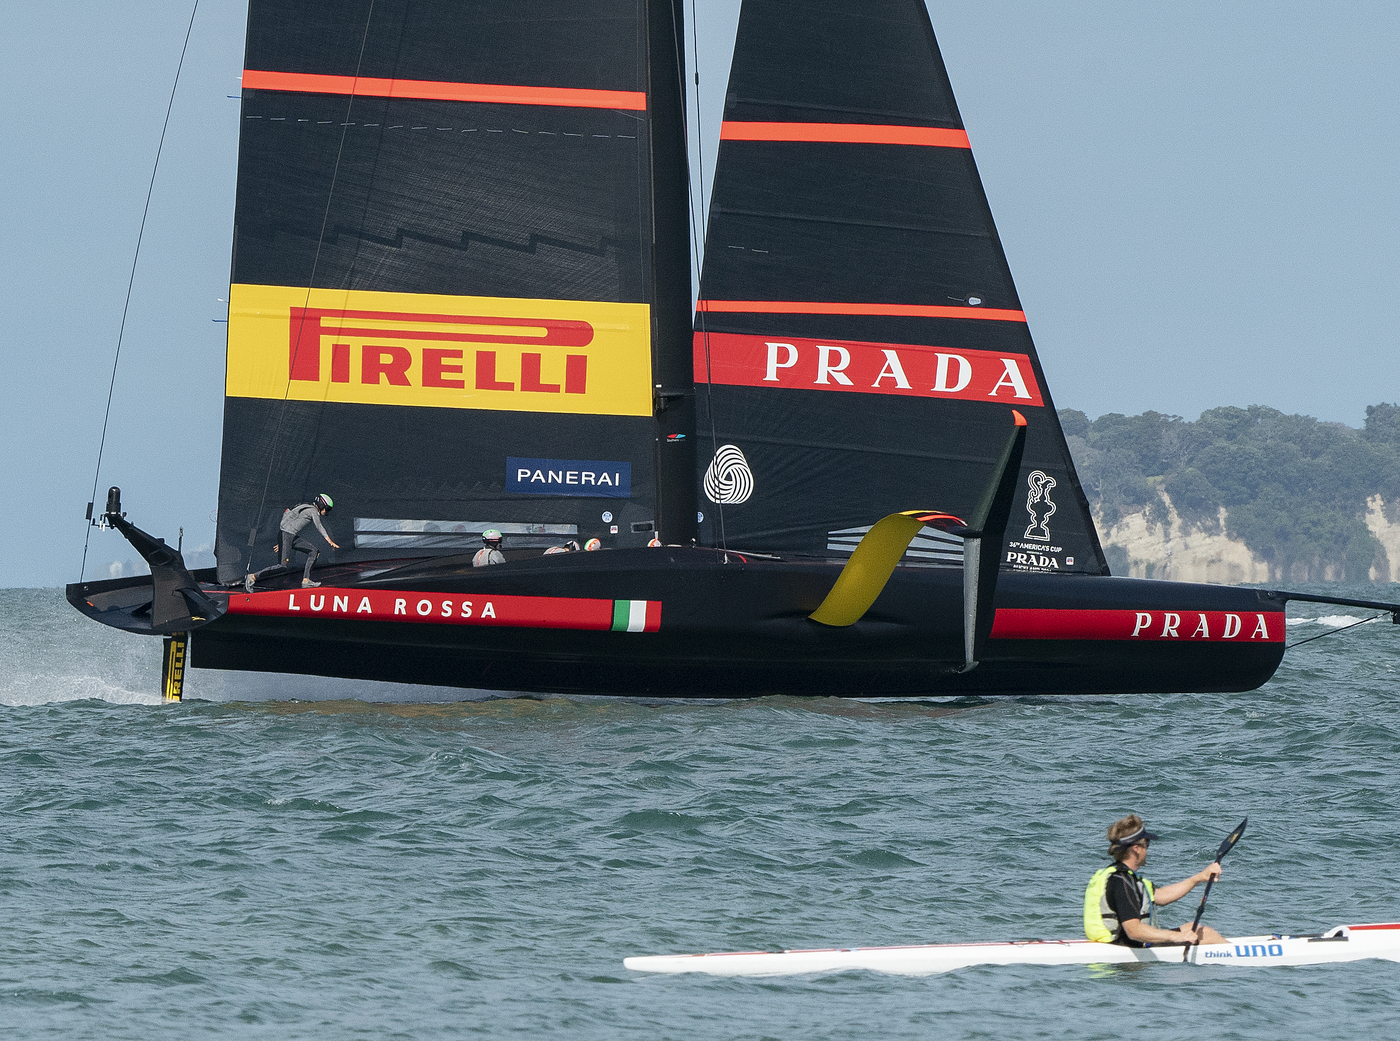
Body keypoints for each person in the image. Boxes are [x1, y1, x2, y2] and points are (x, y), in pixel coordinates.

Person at [1083, 814, 1225, 948]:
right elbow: (1134, 931)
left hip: (1122, 943)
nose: (1147, 849)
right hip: (1124, 947)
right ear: (1136, 849)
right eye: (1146, 843)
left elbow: (1161, 896)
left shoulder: (1122, 876)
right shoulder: (1121, 882)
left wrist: (1199, 877)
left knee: (1194, 927)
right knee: (1207, 934)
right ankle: (1238, 957)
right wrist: (1176, 937)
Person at [245, 493, 340, 590]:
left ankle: (306, 580)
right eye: (327, 509)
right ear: (322, 505)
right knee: (282, 566)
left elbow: (287, 516)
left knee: (314, 551)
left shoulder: (304, 506)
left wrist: (285, 542)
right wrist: (329, 541)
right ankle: (252, 577)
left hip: (289, 536)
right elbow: (319, 526)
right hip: (287, 535)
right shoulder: (313, 511)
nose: (326, 512)